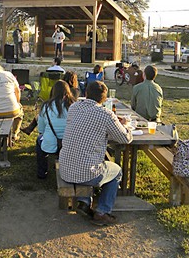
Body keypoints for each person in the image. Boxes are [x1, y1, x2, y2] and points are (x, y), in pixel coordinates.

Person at [59, 81, 133, 226]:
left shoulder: (74, 107)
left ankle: (84, 202)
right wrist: (126, 126)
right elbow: (125, 138)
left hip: (65, 168)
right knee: (116, 171)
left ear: (86, 94)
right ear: (104, 99)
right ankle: (102, 212)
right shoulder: (106, 114)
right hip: (86, 173)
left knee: (87, 157)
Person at [36, 80, 75, 179]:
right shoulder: (74, 106)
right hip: (70, 144)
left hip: (50, 143)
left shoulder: (46, 106)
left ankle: (42, 171)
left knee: (39, 140)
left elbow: (41, 128)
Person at [21, 70, 79, 135]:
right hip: (67, 113)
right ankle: (30, 128)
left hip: (58, 108)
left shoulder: (60, 87)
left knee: (41, 115)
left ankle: (30, 128)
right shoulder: (75, 91)